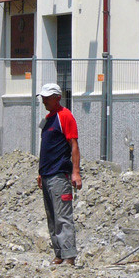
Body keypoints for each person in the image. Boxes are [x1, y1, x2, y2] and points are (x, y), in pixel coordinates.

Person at [36, 83, 82, 265]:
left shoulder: (65, 116)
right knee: (52, 217)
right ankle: (59, 254)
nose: (44, 101)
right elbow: (46, 149)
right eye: (43, 98)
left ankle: (69, 257)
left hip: (59, 175)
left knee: (63, 217)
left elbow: (74, 146)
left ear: (57, 98)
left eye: (47, 98)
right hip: (47, 175)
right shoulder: (49, 119)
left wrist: (75, 172)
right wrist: (41, 172)